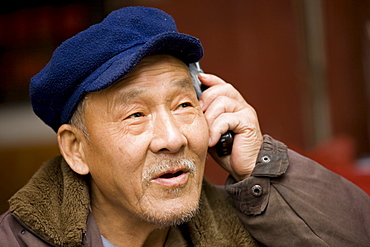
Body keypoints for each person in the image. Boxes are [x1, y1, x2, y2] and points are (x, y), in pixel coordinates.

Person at [0, 6, 369, 247]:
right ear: (76, 149)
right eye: (136, 115)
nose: (173, 138)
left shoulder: (248, 224)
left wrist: (262, 167)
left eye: (183, 105)